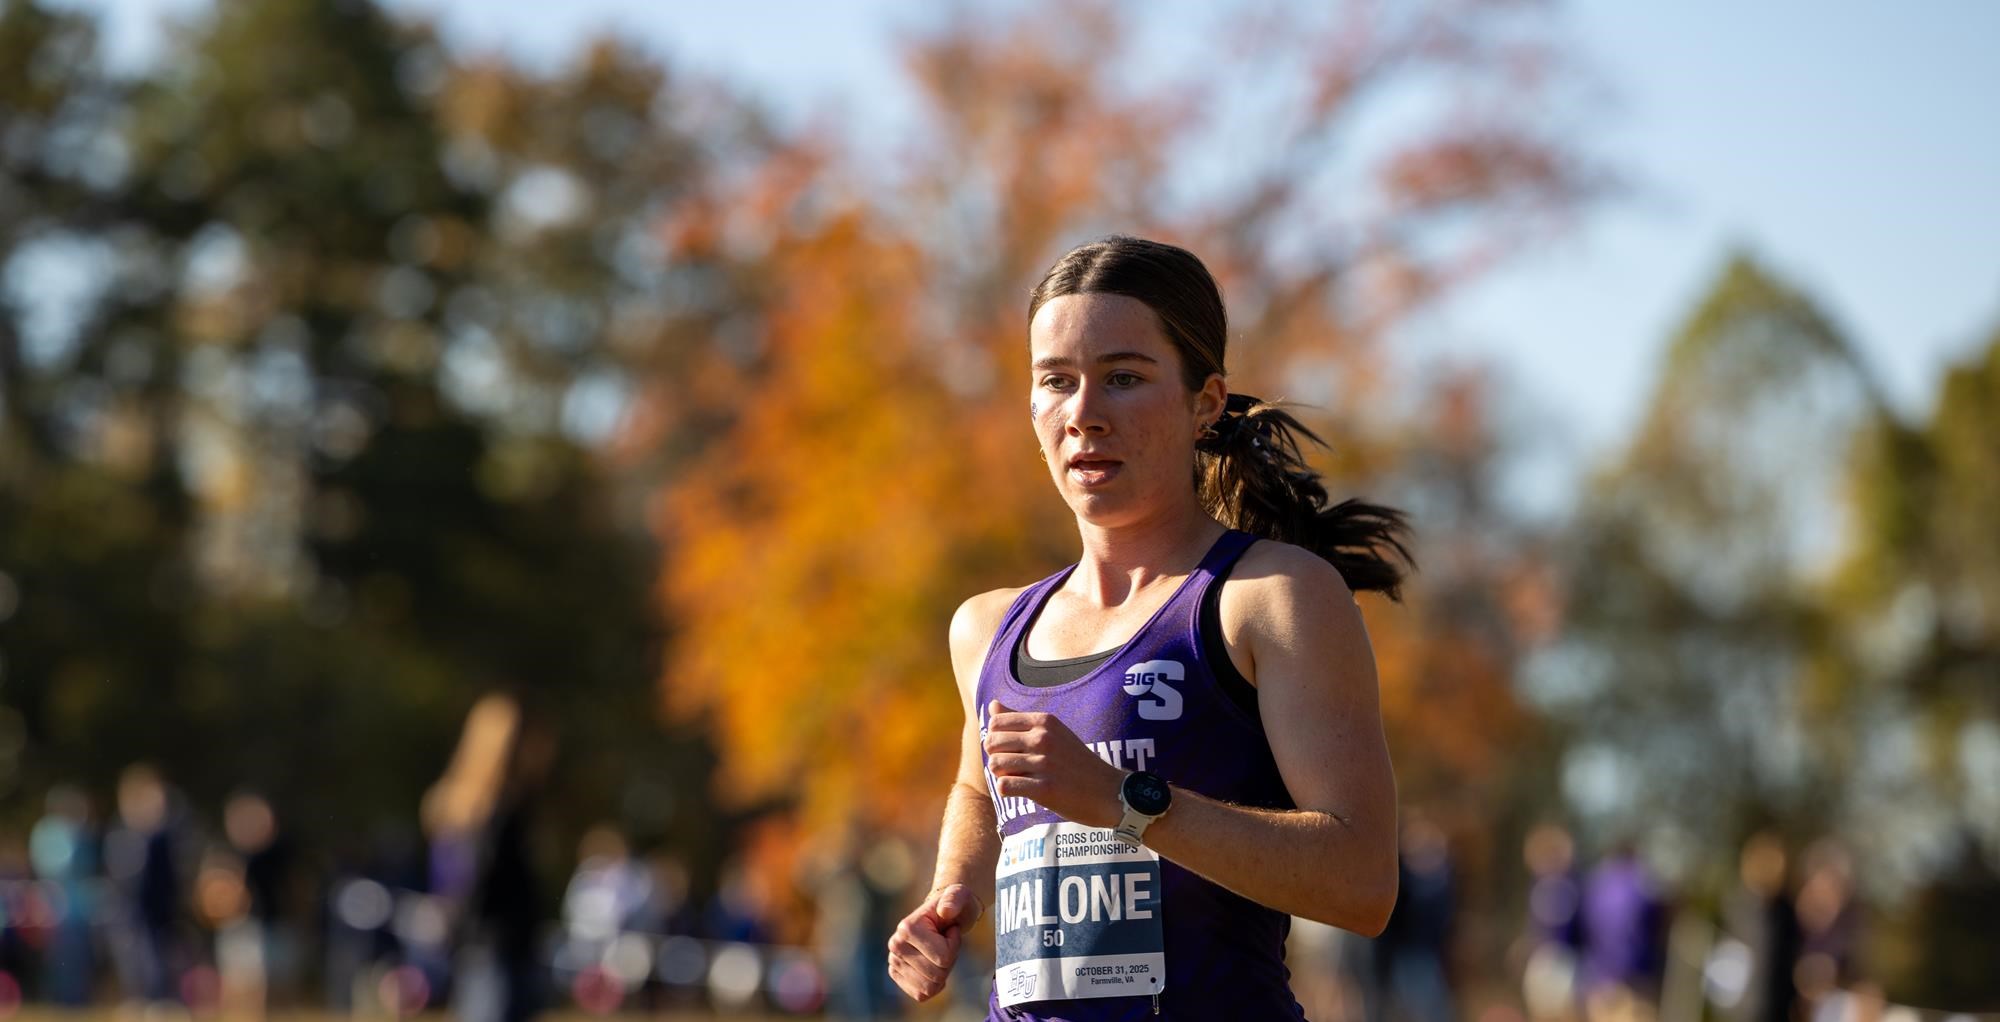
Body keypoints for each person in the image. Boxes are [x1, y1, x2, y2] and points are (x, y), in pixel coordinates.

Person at [886, 235, 1410, 1019]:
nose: (1084, 414)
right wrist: (950, 893)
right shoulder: (986, 627)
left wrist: (1125, 800)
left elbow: (1363, 882)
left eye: (1124, 379)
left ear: (1205, 401)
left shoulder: (1268, 597)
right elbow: (979, 786)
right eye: (1055, 382)